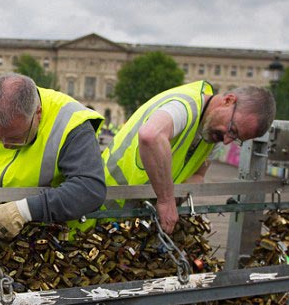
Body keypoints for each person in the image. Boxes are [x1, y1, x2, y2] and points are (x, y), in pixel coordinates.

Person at [102, 81, 276, 232]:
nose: (227, 140)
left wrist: (178, 197)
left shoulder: (211, 133)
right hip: (101, 208)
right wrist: (166, 200)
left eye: (236, 139)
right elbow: (150, 135)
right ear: (228, 100)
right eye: (232, 130)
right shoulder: (185, 105)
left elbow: (198, 176)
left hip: (130, 222)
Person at [0, 73, 106, 237]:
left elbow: (89, 189)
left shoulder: (72, 123)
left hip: (61, 241)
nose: (5, 144)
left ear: (38, 113)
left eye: (15, 138)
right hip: (0, 235)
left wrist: (25, 210)